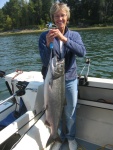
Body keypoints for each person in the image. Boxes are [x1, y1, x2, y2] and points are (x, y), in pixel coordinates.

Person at [39, 2, 86, 150]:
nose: (60, 19)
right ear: (53, 18)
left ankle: (71, 138)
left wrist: (64, 39)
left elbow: (82, 52)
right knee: (53, 110)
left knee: (70, 111)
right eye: (57, 16)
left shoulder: (74, 35)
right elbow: (46, 61)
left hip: (70, 79)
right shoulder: (44, 36)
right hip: (52, 80)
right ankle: (57, 136)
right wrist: (48, 44)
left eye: (62, 15)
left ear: (67, 17)